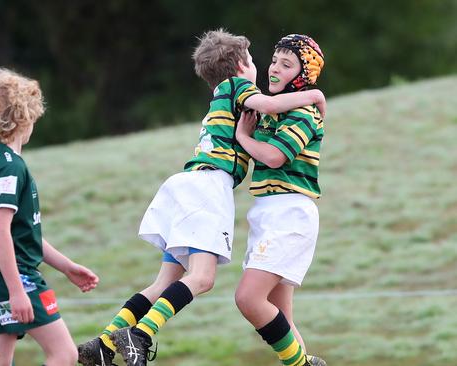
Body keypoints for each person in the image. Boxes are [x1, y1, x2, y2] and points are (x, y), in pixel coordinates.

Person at [77, 29, 326, 366]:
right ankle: (141, 333)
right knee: (203, 278)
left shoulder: (219, 97)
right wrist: (315, 96)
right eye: (259, 60)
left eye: (284, 63)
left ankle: (104, 344)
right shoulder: (239, 88)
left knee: (165, 282)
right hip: (209, 189)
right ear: (240, 64)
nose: (265, 68)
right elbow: (268, 106)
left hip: (186, 184)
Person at [0, 67, 100, 366]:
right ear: (23, 117)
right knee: (64, 354)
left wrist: (66, 267)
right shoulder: (11, 166)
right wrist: (16, 290)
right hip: (11, 277)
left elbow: (20, 233)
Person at [234, 34, 328, 366]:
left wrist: (243, 137)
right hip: (267, 214)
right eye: (274, 61)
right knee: (283, 320)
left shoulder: (304, 112)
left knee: (248, 298)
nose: (274, 69)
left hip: (290, 213)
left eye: (286, 65)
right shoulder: (272, 111)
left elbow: (274, 156)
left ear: (302, 76)